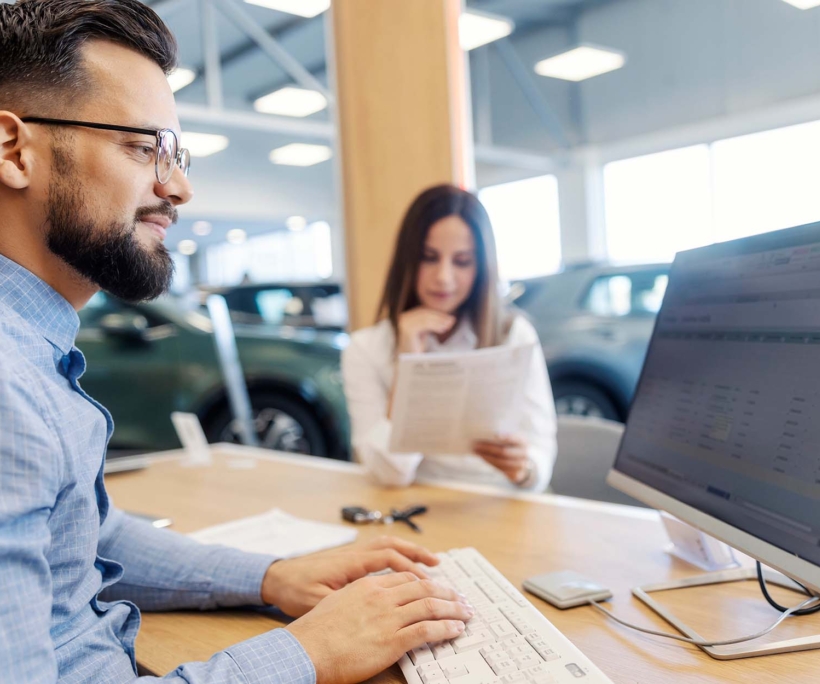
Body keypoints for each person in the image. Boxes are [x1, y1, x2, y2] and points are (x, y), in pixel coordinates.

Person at [0, 1, 474, 682]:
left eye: (176, 154)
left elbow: (89, 539)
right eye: (144, 147)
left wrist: (273, 577)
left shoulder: (31, 351)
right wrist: (309, 654)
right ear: (15, 150)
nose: (179, 187)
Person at [342, 185, 557, 491]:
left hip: (499, 500)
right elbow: (389, 476)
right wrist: (409, 362)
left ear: (481, 267)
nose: (443, 277)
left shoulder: (515, 335)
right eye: (429, 257)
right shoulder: (366, 349)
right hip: (417, 503)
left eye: (462, 261)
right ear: (408, 260)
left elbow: (540, 455)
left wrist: (523, 468)